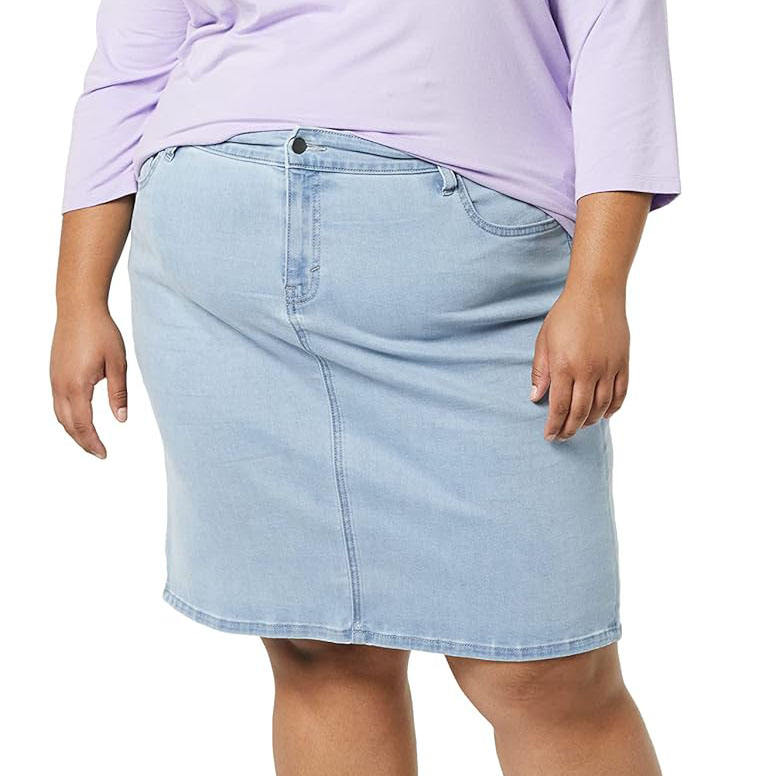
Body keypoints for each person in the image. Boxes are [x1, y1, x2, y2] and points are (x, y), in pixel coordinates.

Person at [51, 2, 680, 773]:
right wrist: (77, 298)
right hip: (223, 282)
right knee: (320, 652)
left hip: (475, 289)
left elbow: (615, 32)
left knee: (544, 672)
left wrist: (600, 284)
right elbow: (130, 67)